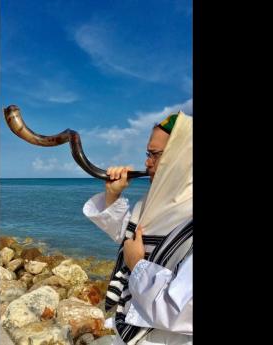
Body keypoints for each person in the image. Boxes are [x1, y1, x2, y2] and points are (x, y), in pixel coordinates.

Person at [83, 111, 193, 345]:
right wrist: (113, 195)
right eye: (147, 154)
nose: (146, 162)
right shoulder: (157, 198)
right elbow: (131, 240)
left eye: (154, 154)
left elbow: (182, 311)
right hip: (132, 326)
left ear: (181, 155)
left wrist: (138, 266)